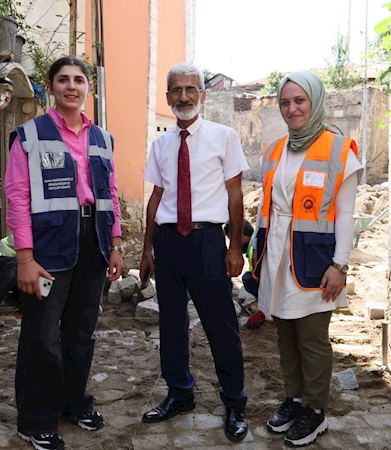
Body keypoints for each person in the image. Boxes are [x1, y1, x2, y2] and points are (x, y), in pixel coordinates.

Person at [5, 56, 123, 450]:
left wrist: (116, 244)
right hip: (48, 246)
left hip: (93, 243)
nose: (72, 86)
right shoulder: (29, 135)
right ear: (51, 87)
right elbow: (18, 197)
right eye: (63, 80)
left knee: (81, 332)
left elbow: (111, 196)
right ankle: (35, 418)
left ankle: (74, 404)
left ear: (88, 87)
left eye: (79, 79)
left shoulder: (103, 139)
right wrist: (25, 258)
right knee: (41, 335)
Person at [139, 62, 250, 442]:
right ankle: (180, 393)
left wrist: (235, 246)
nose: (183, 97)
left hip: (207, 242)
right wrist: (146, 249)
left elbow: (236, 195)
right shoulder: (161, 144)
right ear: (168, 97)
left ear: (202, 94)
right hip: (168, 243)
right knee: (171, 325)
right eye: (176, 91)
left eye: (190, 89)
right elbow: (155, 197)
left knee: (221, 324)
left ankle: (234, 402)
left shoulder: (224, 137)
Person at [251, 72, 362, 447]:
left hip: (316, 258)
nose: (292, 108)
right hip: (278, 254)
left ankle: (315, 411)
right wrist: (258, 254)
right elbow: (267, 210)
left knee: (312, 338)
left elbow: (346, 214)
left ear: (314, 102)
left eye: (299, 100)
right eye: (285, 102)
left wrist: (340, 265)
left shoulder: (337, 149)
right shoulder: (275, 150)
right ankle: (294, 399)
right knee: (284, 333)